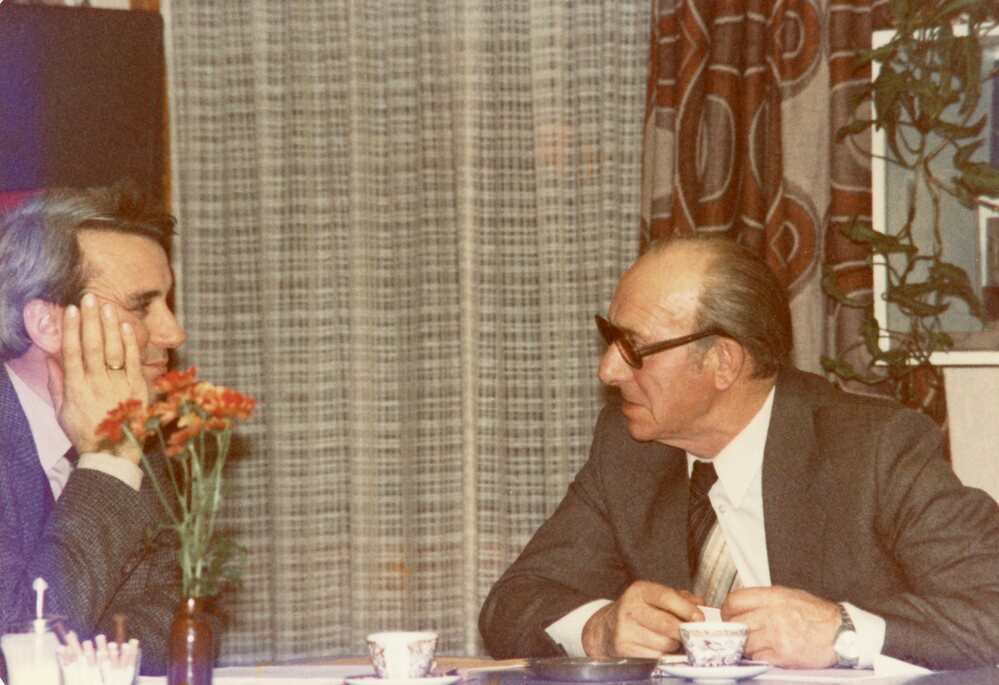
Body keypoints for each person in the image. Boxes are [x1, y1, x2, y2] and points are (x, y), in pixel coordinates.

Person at [478, 234, 999, 670]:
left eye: (634, 347)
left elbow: (990, 609)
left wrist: (842, 633)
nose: (608, 370)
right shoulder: (629, 451)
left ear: (724, 361)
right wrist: (599, 629)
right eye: (609, 339)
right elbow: (514, 602)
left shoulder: (875, 449)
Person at [0, 182, 188, 675]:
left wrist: (67, 638)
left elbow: (180, 625)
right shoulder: (122, 449)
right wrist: (108, 462)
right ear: (48, 324)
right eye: (142, 305)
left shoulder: (144, 441)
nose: (174, 333)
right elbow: (16, 654)